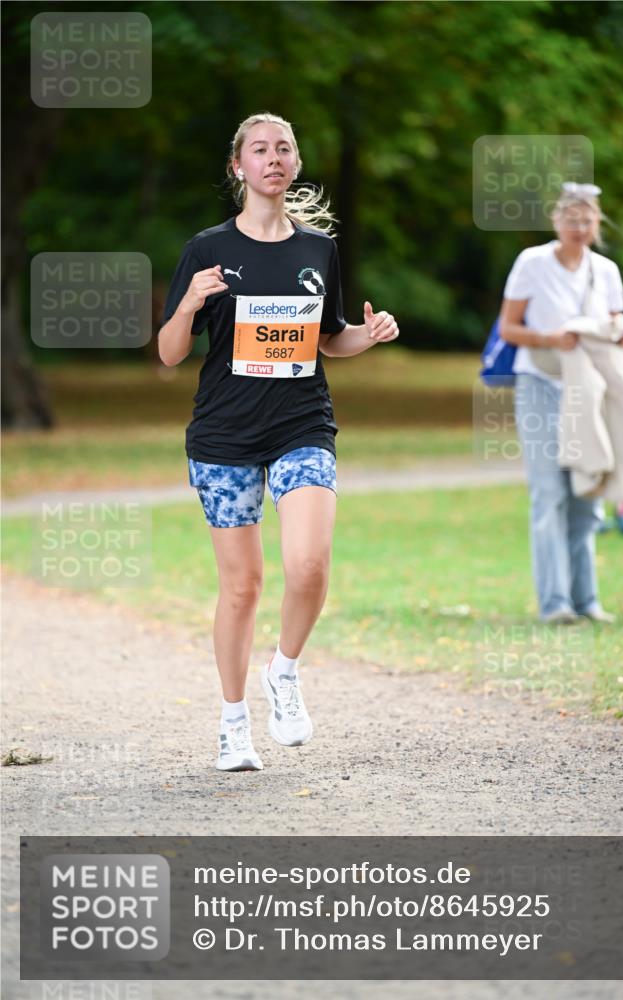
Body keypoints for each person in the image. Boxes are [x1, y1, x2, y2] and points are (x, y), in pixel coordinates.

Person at [158, 112, 399, 771]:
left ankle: (283, 671)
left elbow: (330, 339)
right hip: (224, 435)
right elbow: (170, 353)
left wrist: (368, 336)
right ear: (237, 166)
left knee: (309, 563)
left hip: (301, 425)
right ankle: (233, 724)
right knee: (242, 587)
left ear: (294, 164)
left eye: (283, 149)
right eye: (259, 149)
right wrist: (188, 305)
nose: (273, 158)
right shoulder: (206, 249)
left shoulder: (318, 249)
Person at [498, 182, 623, 625]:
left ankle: (586, 600)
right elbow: (508, 328)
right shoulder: (532, 263)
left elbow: (612, 326)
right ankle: (555, 602)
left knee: (587, 492)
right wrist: (550, 339)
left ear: (597, 223)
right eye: (571, 218)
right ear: (556, 220)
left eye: (587, 219)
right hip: (540, 383)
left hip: (588, 391)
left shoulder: (605, 271)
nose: (579, 227)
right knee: (549, 493)